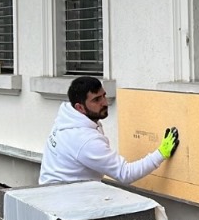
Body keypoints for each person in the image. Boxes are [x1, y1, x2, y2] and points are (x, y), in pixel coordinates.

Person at [38, 76, 179, 185]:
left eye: (104, 95)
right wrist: (161, 153)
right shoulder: (85, 140)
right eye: (96, 100)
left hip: (53, 194)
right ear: (80, 107)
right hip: (65, 202)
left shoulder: (68, 118)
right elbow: (125, 174)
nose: (105, 103)